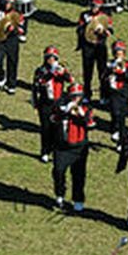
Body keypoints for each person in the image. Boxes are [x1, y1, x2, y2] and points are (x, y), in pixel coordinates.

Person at [52, 82, 94, 212]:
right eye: (73, 96)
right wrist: (65, 111)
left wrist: (80, 113)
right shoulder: (61, 105)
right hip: (61, 146)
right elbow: (53, 119)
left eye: (78, 96)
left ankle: (78, 199)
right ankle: (60, 194)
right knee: (58, 171)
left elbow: (90, 124)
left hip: (79, 147)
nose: (76, 99)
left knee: (79, 175)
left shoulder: (86, 108)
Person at [32, 46, 73, 163]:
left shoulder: (60, 68)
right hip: (45, 103)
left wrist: (63, 73)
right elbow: (38, 83)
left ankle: (56, 151)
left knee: (58, 129)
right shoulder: (40, 70)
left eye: (53, 58)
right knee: (45, 128)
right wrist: (50, 73)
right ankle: (44, 151)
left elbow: (70, 80)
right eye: (48, 58)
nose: (51, 60)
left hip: (58, 102)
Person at [76, 0, 113, 105]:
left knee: (102, 71)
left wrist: (104, 31)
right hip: (87, 46)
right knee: (87, 72)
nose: (94, 8)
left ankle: (104, 95)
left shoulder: (104, 16)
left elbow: (110, 29)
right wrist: (87, 27)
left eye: (96, 6)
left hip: (100, 45)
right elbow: (79, 29)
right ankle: (87, 94)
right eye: (92, 5)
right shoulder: (84, 15)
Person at [104, 41, 128, 149]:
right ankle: (114, 129)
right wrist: (110, 72)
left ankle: (121, 141)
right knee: (115, 113)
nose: (119, 54)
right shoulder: (109, 63)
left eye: (121, 51)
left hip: (123, 92)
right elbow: (103, 76)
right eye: (117, 52)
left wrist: (123, 71)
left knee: (122, 116)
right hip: (113, 93)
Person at [0, 0, 24, 94]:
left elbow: (22, 30)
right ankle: (1, 76)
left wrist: (15, 29)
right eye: (6, 2)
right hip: (1, 40)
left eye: (9, 3)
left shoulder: (18, 14)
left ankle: (11, 84)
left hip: (12, 40)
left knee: (12, 62)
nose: (7, 5)